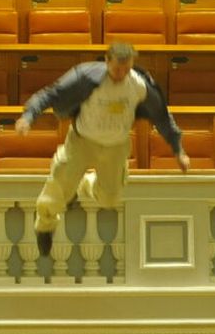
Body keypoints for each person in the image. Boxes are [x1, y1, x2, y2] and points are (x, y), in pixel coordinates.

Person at [15, 41, 190, 257]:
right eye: (117, 69)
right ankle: (44, 226)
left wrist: (178, 150)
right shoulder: (86, 78)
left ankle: (84, 185)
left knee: (110, 199)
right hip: (82, 142)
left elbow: (162, 116)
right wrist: (28, 116)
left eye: (126, 70)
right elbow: (50, 94)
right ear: (107, 61)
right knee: (55, 195)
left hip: (115, 146)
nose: (121, 74)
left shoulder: (139, 86)